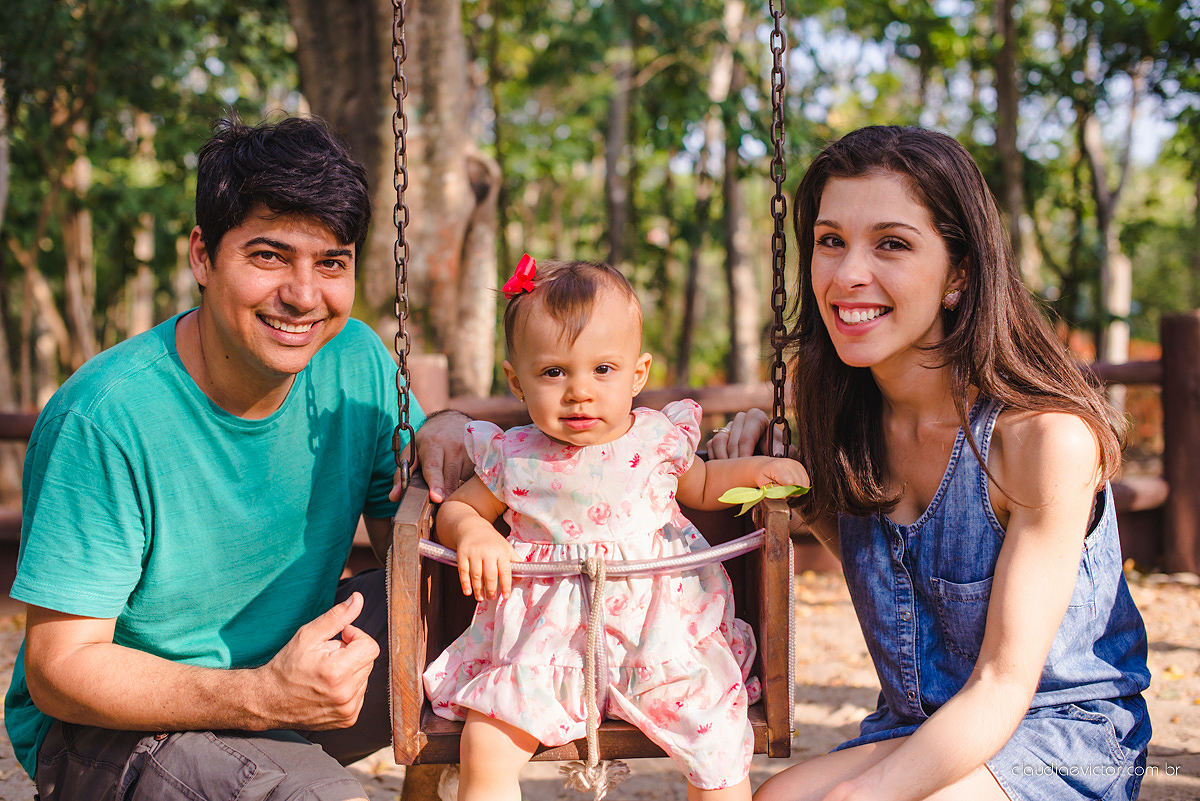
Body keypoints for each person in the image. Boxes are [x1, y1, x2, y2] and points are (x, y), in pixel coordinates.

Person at [4, 116, 472, 801]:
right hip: (113, 725)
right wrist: (262, 695)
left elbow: (416, 548)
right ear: (202, 256)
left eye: (331, 263)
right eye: (269, 256)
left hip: (286, 672)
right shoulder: (106, 416)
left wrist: (452, 429)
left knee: (484, 595)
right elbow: (58, 668)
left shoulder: (354, 360)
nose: (304, 296)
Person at [710, 125, 1151, 801]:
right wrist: (767, 466)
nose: (848, 274)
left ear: (959, 273)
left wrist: (871, 791)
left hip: (1062, 736)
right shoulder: (841, 425)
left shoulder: (1043, 441)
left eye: (891, 243)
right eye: (831, 241)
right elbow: (891, 573)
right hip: (918, 725)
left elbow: (1003, 682)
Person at [421, 257, 810, 801]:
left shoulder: (656, 440)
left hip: (660, 644)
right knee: (485, 745)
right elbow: (456, 509)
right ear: (516, 381)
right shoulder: (515, 457)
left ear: (638, 374)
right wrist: (473, 534)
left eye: (602, 369)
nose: (579, 391)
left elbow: (703, 485)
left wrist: (760, 472)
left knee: (718, 738)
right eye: (553, 372)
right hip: (545, 651)